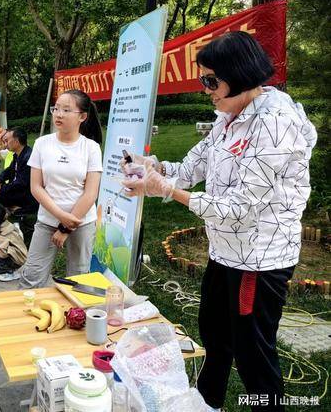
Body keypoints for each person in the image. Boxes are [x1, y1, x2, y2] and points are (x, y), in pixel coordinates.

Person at [121, 31, 317, 411]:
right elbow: (190, 167)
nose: (206, 89)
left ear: (240, 74)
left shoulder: (276, 123)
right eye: (203, 80)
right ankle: (207, 404)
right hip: (225, 250)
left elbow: (240, 207)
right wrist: (154, 169)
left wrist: (167, 190)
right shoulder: (228, 117)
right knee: (214, 335)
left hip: (259, 259)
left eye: (212, 81)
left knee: (252, 354)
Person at [18, 89, 103, 289]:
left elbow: (90, 193)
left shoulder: (91, 148)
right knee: (31, 276)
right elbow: (36, 187)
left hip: (81, 223)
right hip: (47, 220)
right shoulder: (42, 144)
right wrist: (60, 217)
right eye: (56, 108)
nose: (59, 114)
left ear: (82, 116)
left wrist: (66, 227)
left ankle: (73, 318)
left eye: (66, 110)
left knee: (78, 280)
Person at [0, 203, 28, 282]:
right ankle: (2, 268)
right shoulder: (6, 224)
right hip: (20, 255)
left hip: (17, 260)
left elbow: (3, 254)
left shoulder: (2, 235)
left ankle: (11, 272)